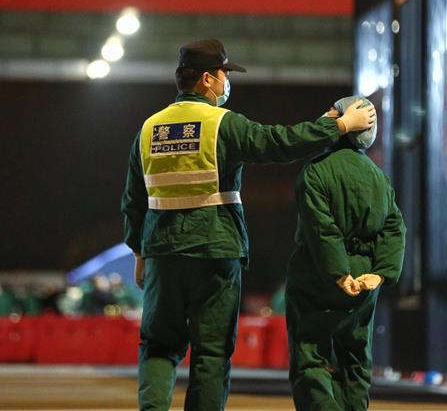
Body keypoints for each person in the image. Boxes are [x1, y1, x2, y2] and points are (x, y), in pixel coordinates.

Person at [120, 39, 376, 411]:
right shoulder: (222, 125)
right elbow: (281, 143)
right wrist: (338, 126)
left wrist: (140, 253)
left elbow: (133, 201)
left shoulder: (148, 129)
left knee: (159, 346)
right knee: (210, 353)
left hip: (162, 253)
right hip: (215, 252)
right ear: (207, 79)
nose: (227, 81)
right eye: (224, 73)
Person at [285, 95, 405, 411]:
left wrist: (338, 273)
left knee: (311, 354)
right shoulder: (379, 178)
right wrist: (380, 273)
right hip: (365, 278)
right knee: (355, 356)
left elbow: (322, 230)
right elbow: (394, 228)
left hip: (319, 276)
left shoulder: (315, 172)